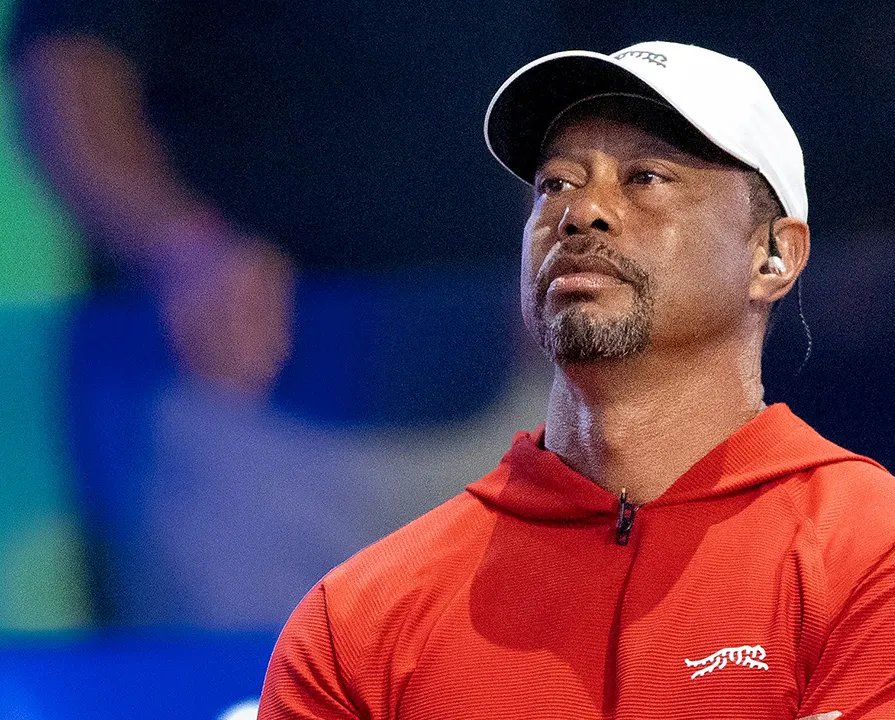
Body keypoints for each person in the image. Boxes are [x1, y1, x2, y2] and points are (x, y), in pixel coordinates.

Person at [260, 41, 895, 719]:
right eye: (555, 184)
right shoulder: (355, 625)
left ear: (775, 256)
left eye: (645, 178)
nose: (582, 212)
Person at [7, 0, 560, 625]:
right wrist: (183, 250)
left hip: (505, 397)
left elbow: (596, 68)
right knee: (243, 672)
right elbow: (67, 65)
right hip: (227, 412)